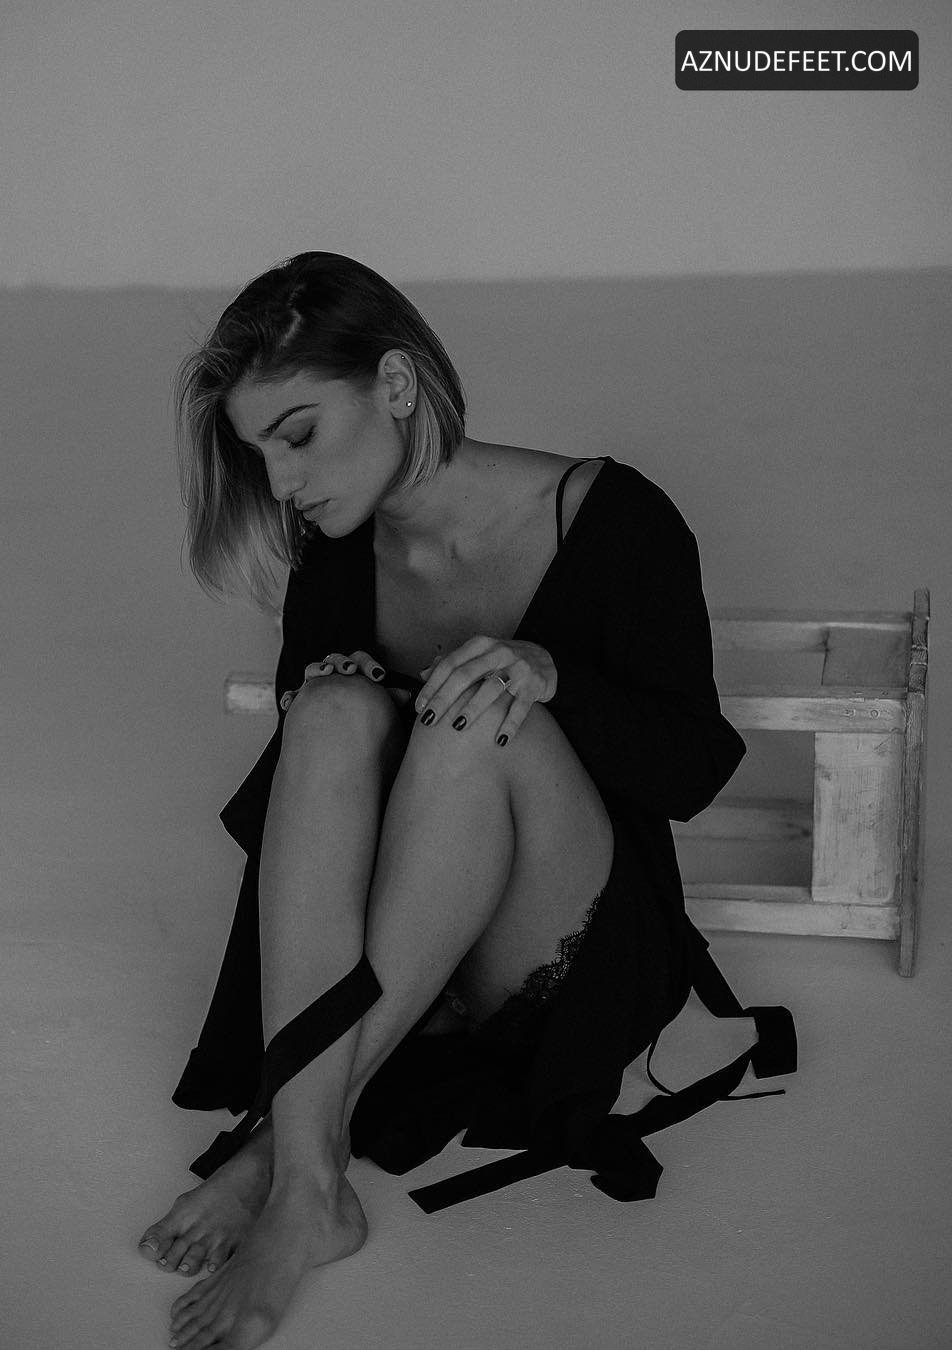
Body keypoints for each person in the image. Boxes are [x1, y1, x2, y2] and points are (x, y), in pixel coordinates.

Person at [137, 252, 796, 1350]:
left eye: (298, 435)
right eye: (261, 454)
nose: (282, 483)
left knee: (485, 714)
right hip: (415, 945)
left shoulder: (614, 518)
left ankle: (288, 1156)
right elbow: (311, 811)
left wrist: (551, 674)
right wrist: (342, 702)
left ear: (396, 384)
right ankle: (310, 1177)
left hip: (575, 940)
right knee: (331, 713)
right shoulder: (334, 554)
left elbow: (694, 767)